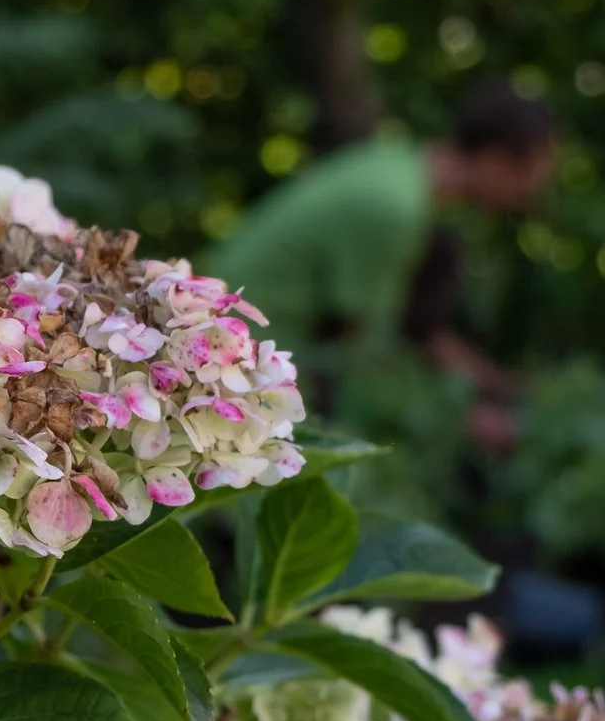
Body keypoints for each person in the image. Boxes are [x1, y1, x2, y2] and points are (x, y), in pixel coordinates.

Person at [211, 80, 557, 448]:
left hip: (241, 329)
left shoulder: (400, 167)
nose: (529, 196)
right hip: (237, 353)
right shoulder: (395, 209)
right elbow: (359, 357)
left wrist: (499, 384)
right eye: (529, 179)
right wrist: (458, 419)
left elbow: (411, 335)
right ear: (495, 159)